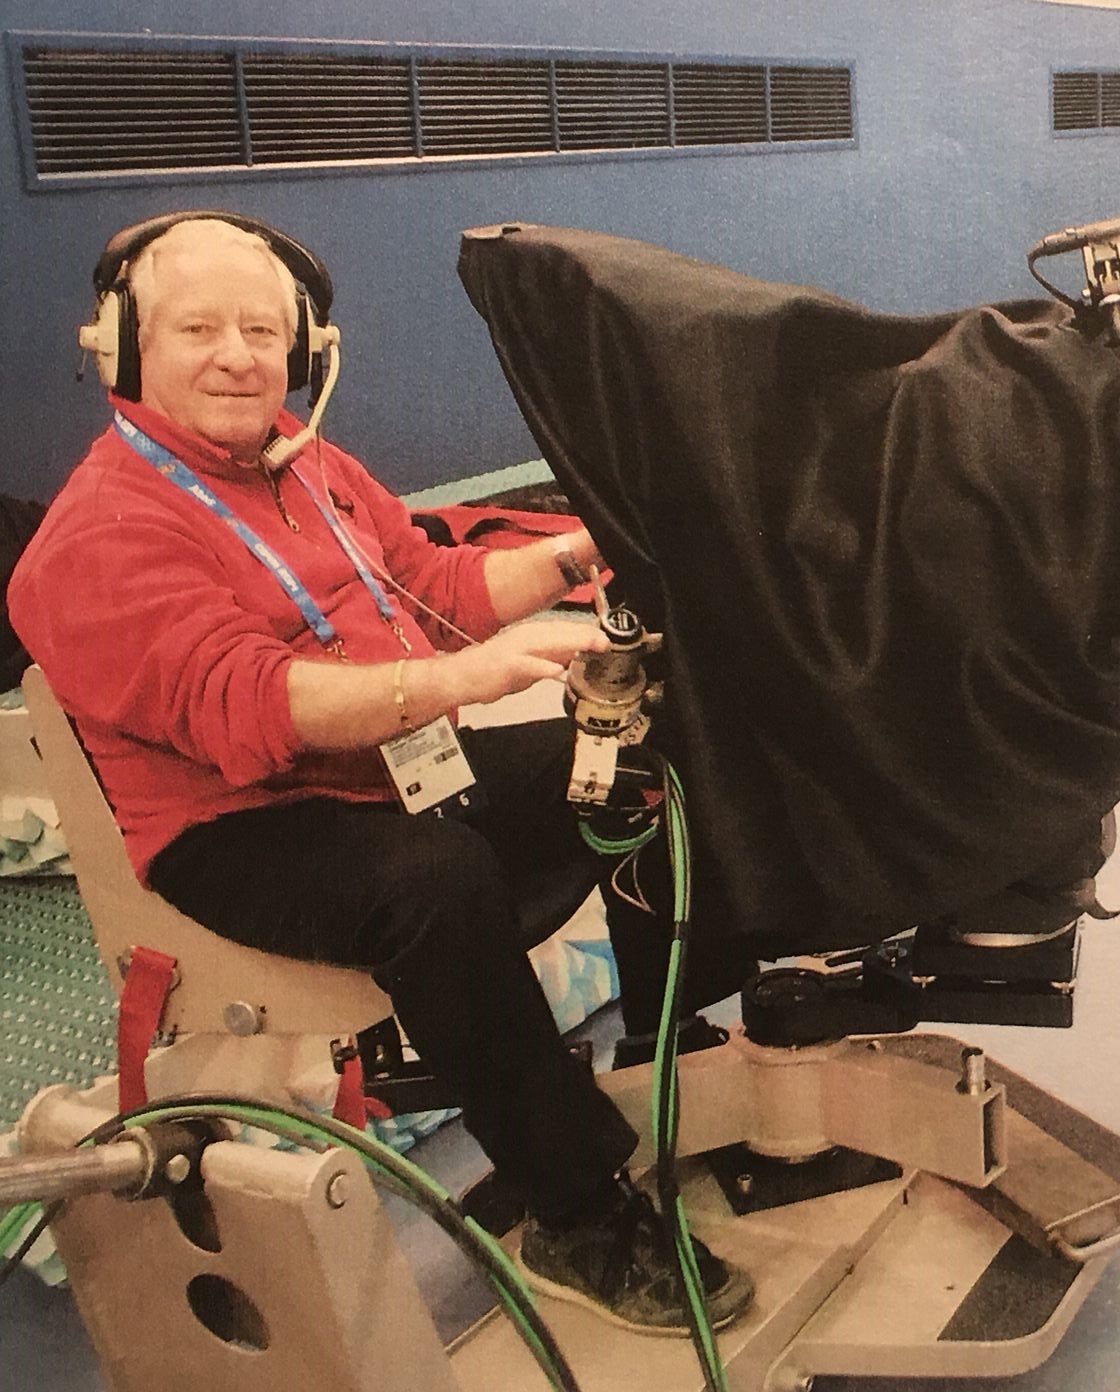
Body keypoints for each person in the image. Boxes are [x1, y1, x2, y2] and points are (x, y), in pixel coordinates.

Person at [7, 214, 753, 1334]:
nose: (237, 356)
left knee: (646, 756)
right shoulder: (97, 535)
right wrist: (463, 681)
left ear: (303, 347)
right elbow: (255, 702)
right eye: (198, 329)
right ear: (124, 348)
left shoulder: (306, 463)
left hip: (384, 774)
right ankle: (575, 1211)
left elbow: (432, 591)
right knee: (436, 880)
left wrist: (584, 546)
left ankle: (671, 1055)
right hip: (238, 823)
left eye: (262, 330)